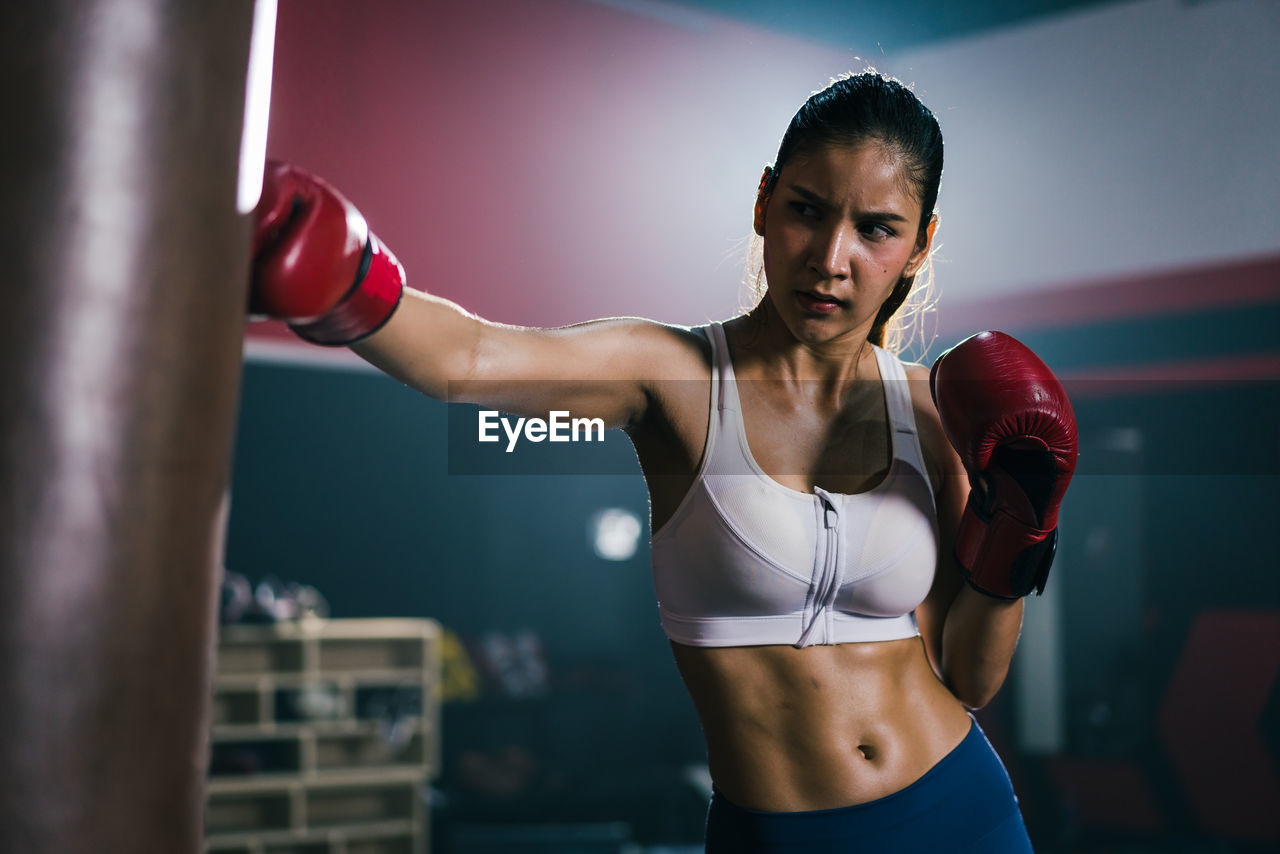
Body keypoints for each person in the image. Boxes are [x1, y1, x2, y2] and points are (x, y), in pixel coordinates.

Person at [249, 70, 1077, 852]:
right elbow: (468, 357)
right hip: (777, 833)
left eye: (875, 229)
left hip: (957, 810)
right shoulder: (675, 378)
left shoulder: (934, 411)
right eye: (806, 209)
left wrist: (1023, 526)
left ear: (919, 245)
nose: (831, 257)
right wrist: (348, 282)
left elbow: (970, 675)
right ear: (763, 202)